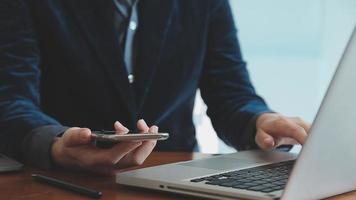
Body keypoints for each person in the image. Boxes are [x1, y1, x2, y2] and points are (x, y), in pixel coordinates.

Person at [0, 0, 310, 174]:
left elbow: (231, 92)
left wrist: (259, 121)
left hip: (176, 180)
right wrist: (54, 144)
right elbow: (11, 99)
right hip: (62, 181)